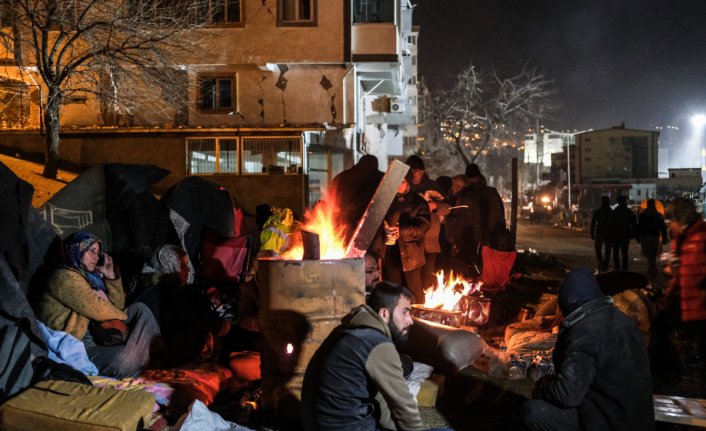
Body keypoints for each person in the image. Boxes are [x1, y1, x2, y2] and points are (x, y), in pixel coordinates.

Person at [300, 281, 453, 431]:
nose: (410, 321)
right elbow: (403, 406)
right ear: (384, 313)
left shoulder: (345, 331)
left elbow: (381, 397)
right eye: (405, 312)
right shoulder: (377, 343)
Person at [522, 267, 654, 431]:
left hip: (611, 423)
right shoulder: (621, 319)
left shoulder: (585, 332)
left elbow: (566, 394)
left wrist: (542, 386)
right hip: (635, 418)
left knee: (534, 412)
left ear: (567, 301)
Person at [33, 231, 161, 378]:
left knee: (140, 309)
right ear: (75, 250)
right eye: (91, 251)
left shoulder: (91, 278)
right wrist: (123, 317)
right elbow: (100, 310)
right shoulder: (64, 277)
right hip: (79, 343)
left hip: (96, 335)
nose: (96, 256)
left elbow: (116, 306)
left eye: (98, 252)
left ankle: (155, 356)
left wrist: (110, 276)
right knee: (124, 360)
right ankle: (146, 357)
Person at [650, 198, 706, 397]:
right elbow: (681, 269)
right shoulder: (680, 236)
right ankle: (663, 379)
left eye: (672, 220)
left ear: (683, 218)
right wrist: (671, 269)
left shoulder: (702, 236)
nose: (670, 225)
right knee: (659, 330)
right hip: (682, 298)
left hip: (698, 303)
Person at [405, 155, 450, 291]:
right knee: (412, 280)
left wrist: (434, 205)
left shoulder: (432, 186)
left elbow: (447, 207)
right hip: (410, 241)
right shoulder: (404, 188)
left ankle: (427, 307)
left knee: (427, 277)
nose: (413, 173)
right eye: (410, 170)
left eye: (416, 170)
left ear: (422, 172)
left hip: (430, 241)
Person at [382, 178, 431, 301]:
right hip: (390, 252)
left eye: (402, 181)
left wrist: (402, 230)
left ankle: (418, 317)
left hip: (411, 254)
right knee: (393, 291)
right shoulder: (386, 199)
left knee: (414, 290)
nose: (398, 185)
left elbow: (424, 225)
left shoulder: (418, 202)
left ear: (407, 183)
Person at [465, 163, 507, 250]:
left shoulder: (488, 193)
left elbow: (497, 213)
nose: (473, 180)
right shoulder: (466, 193)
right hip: (477, 233)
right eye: (471, 178)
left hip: (487, 233)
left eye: (474, 177)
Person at [636, 198, 668, 275]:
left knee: (649, 253)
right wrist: (664, 238)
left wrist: (638, 236)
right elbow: (663, 227)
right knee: (653, 253)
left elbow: (639, 227)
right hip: (655, 237)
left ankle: (651, 268)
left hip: (646, 237)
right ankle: (652, 268)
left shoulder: (643, 215)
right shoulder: (658, 215)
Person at [609, 195, 637, 270]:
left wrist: (610, 236)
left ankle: (616, 268)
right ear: (625, 202)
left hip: (616, 235)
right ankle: (624, 268)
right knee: (624, 252)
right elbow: (634, 223)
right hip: (625, 235)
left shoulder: (614, 212)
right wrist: (634, 234)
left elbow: (611, 225)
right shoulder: (628, 212)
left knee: (616, 253)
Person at [590, 196, 613, 271]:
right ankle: (604, 263)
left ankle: (602, 262)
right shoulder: (611, 211)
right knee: (607, 250)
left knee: (599, 249)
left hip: (601, 232)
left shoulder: (599, 211)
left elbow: (593, 222)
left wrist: (592, 232)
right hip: (608, 233)